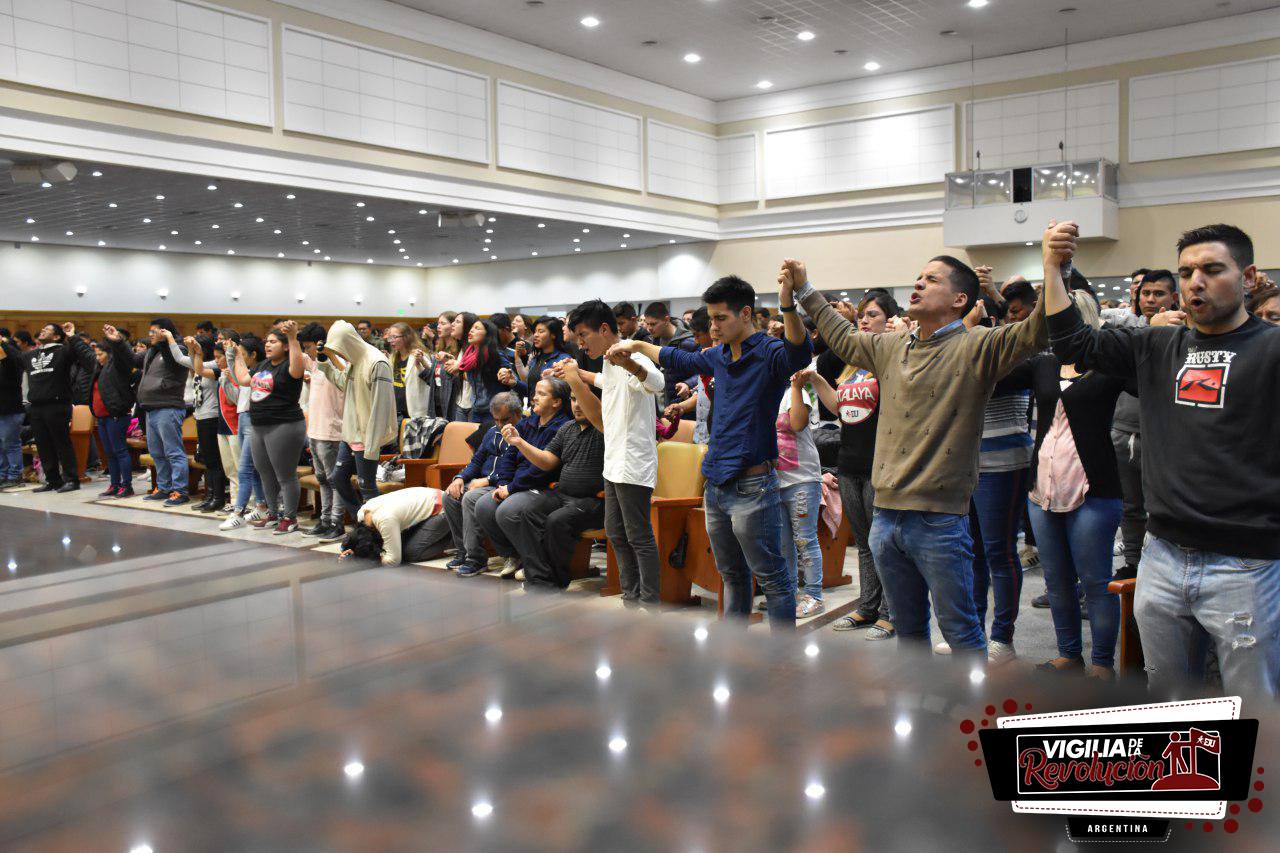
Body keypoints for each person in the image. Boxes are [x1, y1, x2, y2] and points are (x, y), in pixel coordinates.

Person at [1045, 221, 1280, 697]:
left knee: (1254, 703)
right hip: (1163, 555)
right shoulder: (1156, 347)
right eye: (1187, 272)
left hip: (1247, 563)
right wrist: (1053, 268)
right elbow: (1074, 344)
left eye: (1212, 269)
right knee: (1168, 699)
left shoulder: (1272, 349)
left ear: (1249, 278)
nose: (1196, 282)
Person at [784, 248, 1051, 657]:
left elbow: (1037, 330)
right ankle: (919, 697)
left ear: (960, 299)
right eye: (919, 277)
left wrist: (1055, 267)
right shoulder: (893, 346)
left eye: (932, 279)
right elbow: (843, 337)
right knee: (908, 635)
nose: (918, 283)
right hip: (886, 516)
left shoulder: (978, 346)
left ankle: (969, 701)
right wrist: (804, 288)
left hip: (938, 519)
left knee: (961, 633)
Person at [611, 275, 813, 627]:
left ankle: (782, 655)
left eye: (721, 318)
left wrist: (787, 303)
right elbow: (675, 356)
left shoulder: (768, 352)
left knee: (773, 579)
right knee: (731, 575)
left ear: (745, 314)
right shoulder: (718, 355)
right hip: (717, 484)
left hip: (754, 484)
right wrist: (639, 346)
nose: (713, 326)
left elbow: (799, 352)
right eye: (711, 318)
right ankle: (733, 648)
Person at [1005, 293, 1130, 680]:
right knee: (1057, 581)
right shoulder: (1043, 363)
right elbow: (994, 374)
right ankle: (1069, 655)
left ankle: (1103, 664)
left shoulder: (1109, 364)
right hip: (1042, 490)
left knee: (1096, 582)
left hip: (1094, 490)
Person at [803, 291, 900, 640]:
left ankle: (891, 612)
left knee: (883, 542)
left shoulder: (893, 357)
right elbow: (840, 408)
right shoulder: (851, 364)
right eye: (861, 315)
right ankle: (868, 605)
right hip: (850, 460)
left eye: (872, 315)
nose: (864, 320)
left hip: (880, 461)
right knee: (862, 541)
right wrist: (816, 381)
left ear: (890, 320)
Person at [561, 299, 666, 606]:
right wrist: (581, 374)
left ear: (604, 329)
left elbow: (657, 382)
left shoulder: (633, 354)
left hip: (633, 462)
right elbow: (611, 384)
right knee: (616, 534)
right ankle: (630, 597)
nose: (581, 344)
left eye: (583, 335)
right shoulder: (608, 361)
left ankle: (649, 603)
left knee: (639, 537)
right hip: (614, 461)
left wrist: (631, 364)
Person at [1104, 270, 1179, 580]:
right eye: (1145, 293)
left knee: (1163, 505)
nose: (1150, 299)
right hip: (1122, 431)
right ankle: (1133, 563)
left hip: (1161, 436)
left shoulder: (1183, 333)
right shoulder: (1125, 331)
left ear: (1173, 298)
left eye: (1158, 293)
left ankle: (1163, 569)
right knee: (1130, 506)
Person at [493, 387, 605, 589]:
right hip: (563, 494)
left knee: (556, 521)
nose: (577, 405)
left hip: (595, 500)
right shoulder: (567, 428)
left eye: (582, 399)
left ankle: (552, 581)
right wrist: (519, 442)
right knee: (523, 512)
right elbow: (546, 461)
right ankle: (540, 576)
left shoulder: (606, 428)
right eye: (573, 399)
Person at [471, 378, 572, 578]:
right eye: (535, 393)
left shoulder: (562, 427)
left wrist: (511, 488)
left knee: (507, 510)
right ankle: (512, 555)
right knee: (483, 506)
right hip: (519, 485)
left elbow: (541, 470)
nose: (534, 397)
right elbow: (509, 457)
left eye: (542, 394)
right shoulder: (528, 423)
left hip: (545, 487)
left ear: (556, 402)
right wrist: (504, 484)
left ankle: (536, 564)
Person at [316, 320, 398, 540]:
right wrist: (324, 362)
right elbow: (343, 382)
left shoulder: (377, 362)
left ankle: (380, 533)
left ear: (348, 343)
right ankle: (363, 524)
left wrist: (372, 445)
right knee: (338, 478)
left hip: (367, 436)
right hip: (351, 433)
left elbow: (381, 409)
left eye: (339, 350)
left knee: (367, 486)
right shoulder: (356, 360)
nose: (339, 354)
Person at [234, 322, 307, 534]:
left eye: (273, 342)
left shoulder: (291, 364)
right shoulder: (262, 365)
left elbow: (297, 368)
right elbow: (243, 379)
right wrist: (236, 355)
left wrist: (292, 337)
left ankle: (290, 518)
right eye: (267, 341)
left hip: (284, 424)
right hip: (259, 424)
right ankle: (273, 514)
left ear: (285, 346)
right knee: (265, 472)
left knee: (285, 475)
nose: (267, 345)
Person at [441, 392, 523, 575]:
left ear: (518, 414)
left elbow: (517, 467)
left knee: (470, 498)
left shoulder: (524, 432)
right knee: (450, 496)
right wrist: (460, 478)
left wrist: (488, 480)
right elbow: (477, 461)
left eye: (505, 420)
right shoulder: (491, 432)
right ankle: (463, 551)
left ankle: (476, 559)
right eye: (496, 420)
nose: (500, 425)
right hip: (483, 483)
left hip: (504, 484)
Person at [9, 322, 95, 492]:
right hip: (36, 406)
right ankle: (53, 480)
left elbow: (87, 358)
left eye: (47, 329)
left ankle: (72, 479)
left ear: (56, 336)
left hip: (57, 404)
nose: (42, 330)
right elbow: (16, 357)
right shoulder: (33, 354)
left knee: (61, 443)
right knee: (43, 445)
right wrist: (4, 343)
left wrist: (72, 336)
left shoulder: (64, 351)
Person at [775, 368, 825, 617]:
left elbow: (797, 423)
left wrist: (796, 386)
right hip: (776, 482)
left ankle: (814, 596)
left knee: (805, 540)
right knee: (784, 543)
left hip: (802, 480)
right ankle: (789, 594)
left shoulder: (794, 393)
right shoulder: (767, 394)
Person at [297, 323, 347, 539]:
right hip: (315, 431)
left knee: (334, 480)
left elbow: (345, 378)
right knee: (323, 479)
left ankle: (337, 523)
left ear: (320, 344)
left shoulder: (337, 364)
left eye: (308, 347)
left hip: (332, 431)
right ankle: (325, 521)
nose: (306, 351)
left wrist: (326, 352)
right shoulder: (314, 364)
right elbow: (296, 357)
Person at [219, 335, 272, 530]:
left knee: (244, 468)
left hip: (252, 418)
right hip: (242, 417)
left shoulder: (261, 373)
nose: (239, 357)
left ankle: (238, 512)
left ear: (253, 355)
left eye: (242, 354)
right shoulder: (247, 373)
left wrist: (232, 355)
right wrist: (230, 353)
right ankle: (261, 506)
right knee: (253, 467)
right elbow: (236, 382)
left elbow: (241, 379)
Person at [137, 319, 192, 505]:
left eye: (154, 331)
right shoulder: (153, 351)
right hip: (151, 408)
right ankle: (164, 487)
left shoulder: (178, 349)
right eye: (150, 331)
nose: (150, 335)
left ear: (164, 332)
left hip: (168, 407)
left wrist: (165, 342)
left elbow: (174, 364)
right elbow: (131, 360)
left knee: (173, 452)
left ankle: (180, 491)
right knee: (157, 453)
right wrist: (117, 342)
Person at [180, 334, 230, 512]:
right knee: (207, 460)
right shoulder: (202, 364)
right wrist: (192, 349)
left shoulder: (215, 366)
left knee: (214, 460)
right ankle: (210, 495)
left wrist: (173, 341)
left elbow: (192, 364)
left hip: (212, 417)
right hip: (200, 416)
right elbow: (193, 363)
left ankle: (218, 497)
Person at [85, 327, 136, 498]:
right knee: (109, 453)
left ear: (109, 353)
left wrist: (116, 341)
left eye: (100, 354)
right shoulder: (98, 369)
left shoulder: (117, 366)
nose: (97, 358)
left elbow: (123, 355)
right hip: (102, 417)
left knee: (120, 451)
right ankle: (114, 484)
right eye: (96, 355)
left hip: (116, 415)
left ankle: (127, 485)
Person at [339, 487, 450, 565]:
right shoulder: (361, 514)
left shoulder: (385, 520)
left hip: (444, 507)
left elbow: (394, 561)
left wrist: (365, 560)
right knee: (401, 544)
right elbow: (363, 538)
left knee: (410, 554)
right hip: (432, 498)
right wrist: (354, 552)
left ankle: (453, 539)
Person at [643, 301, 699, 410]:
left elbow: (703, 371)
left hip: (683, 403)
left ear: (666, 320)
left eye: (653, 324)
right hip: (659, 404)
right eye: (647, 323)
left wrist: (688, 384)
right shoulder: (651, 341)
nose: (649, 328)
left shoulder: (689, 341)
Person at [508, 315, 571, 400]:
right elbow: (531, 391)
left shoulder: (564, 360)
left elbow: (566, 393)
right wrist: (515, 383)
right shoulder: (535, 358)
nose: (535, 335)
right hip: (534, 408)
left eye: (540, 331)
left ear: (553, 335)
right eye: (535, 332)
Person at [384, 322, 436, 420]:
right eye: (390, 338)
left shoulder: (419, 354)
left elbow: (431, 376)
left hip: (414, 407)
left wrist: (422, 361)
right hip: (396, 408)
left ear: (406, 337)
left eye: (395, 337)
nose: (391, 341)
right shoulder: (393, 357)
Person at [0, 330, 27, 489]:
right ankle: (3, 474)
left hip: (10, 409)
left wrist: (3, 343)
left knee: (10, 444)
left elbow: (11, 357)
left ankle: (15, 475)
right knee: (1, 445)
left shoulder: (12, 365)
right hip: (3, 410)